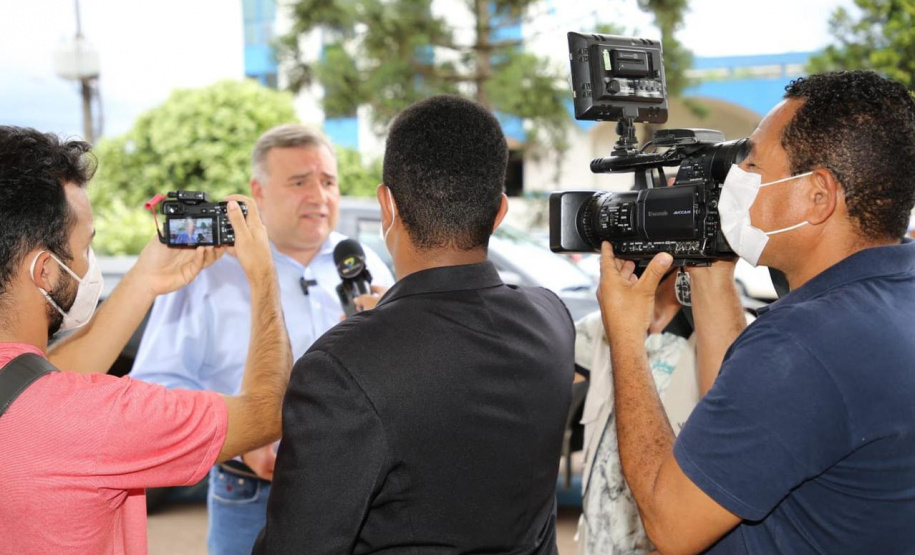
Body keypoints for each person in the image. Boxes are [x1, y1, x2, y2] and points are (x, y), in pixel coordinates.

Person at [596, 70, 915, 554]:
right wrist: (708, 271)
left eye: (753, 165)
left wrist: (623, 333)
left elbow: (670, 523)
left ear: (818, 196)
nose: (737, 181)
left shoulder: (802, 344)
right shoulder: (888, 299)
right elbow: (748, 418)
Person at [252, 95, 576, 553]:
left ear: (388, 207)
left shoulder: (338, 367)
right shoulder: (552, 319)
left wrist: (374, 337)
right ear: (500, 212)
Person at [0, 126, 293, 553]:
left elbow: (35, 386)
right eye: (86, 246)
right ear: (43, 271)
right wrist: (264, 277)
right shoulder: (96, 416)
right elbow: (265, 413)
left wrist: (144, 280)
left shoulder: (31, 399)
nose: (89, 262)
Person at [129, 123, 394, 555]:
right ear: (259, 191)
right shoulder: (208, 271)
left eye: (328, 181)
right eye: (299, 182)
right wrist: (235, 437)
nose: (318, 195)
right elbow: (156, 386)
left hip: (359, 491)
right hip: (250, 495)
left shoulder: (364, 265)